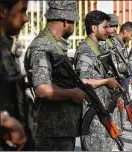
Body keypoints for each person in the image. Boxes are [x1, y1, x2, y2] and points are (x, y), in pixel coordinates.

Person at [24, 0, 87, 151]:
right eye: (74, 22)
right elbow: (42, 89)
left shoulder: (55, 47)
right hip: (50, 134)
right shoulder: (43, 46)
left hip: (61, 131)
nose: (74, 26)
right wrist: (73, 93)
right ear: (66, 22)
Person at [74, 10, 121, 151]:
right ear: (94, 28)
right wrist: (106, 81)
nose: (108, 30)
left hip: (103, 110)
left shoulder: (99, 48)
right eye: (105, 27)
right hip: (93, 114)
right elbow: (82, 81)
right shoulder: (86, 51)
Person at [0, 0, 33, 150]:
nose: (26, 18)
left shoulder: (5, 47)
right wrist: (6, 121)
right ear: (2, 11)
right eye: (22, 10)